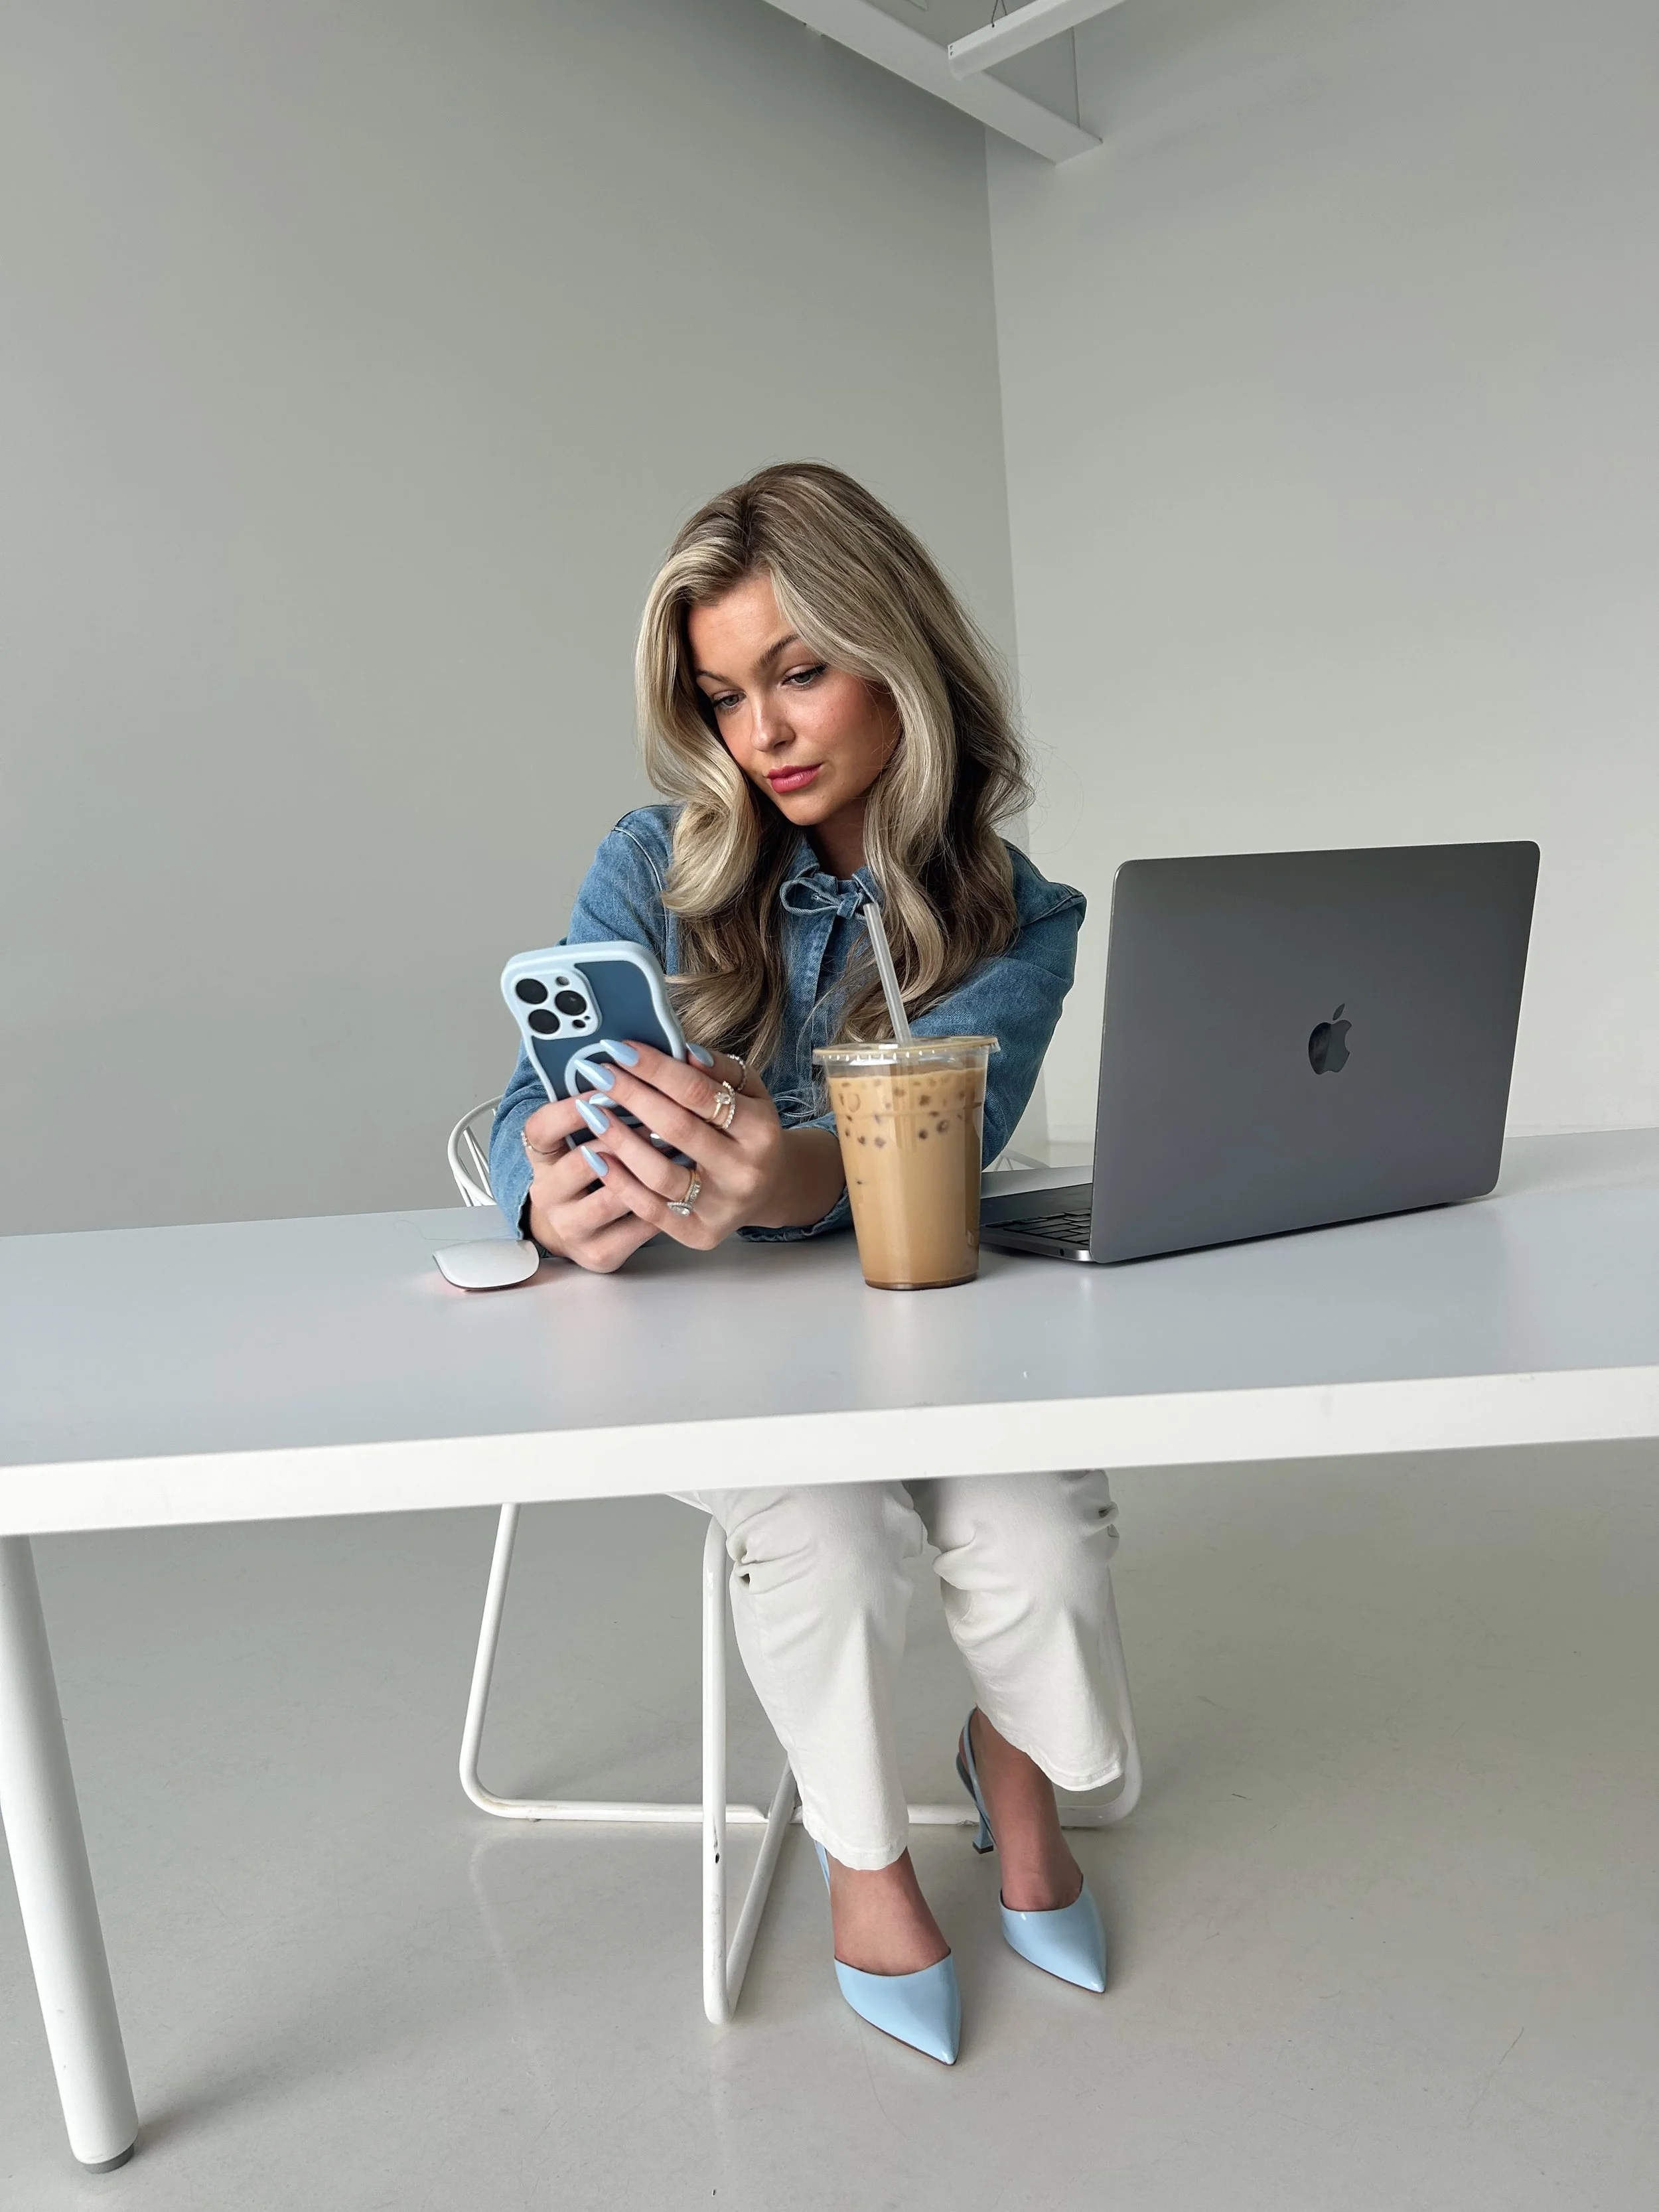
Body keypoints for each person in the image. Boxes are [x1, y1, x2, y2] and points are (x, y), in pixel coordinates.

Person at [490, 463, 1125, 2063]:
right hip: (705, 1342)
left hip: (922, 1321)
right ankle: (862, 1862)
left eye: (797, 671)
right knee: (828, 1535)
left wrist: (773, 1175)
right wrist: (539, 1194)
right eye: (719, 694)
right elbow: (519, 1110)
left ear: (894, 660)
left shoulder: (1012, 914)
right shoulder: (654, 861)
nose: (759, 733)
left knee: (1035, 1527)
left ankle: (1014, 1763)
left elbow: (939, 1146)